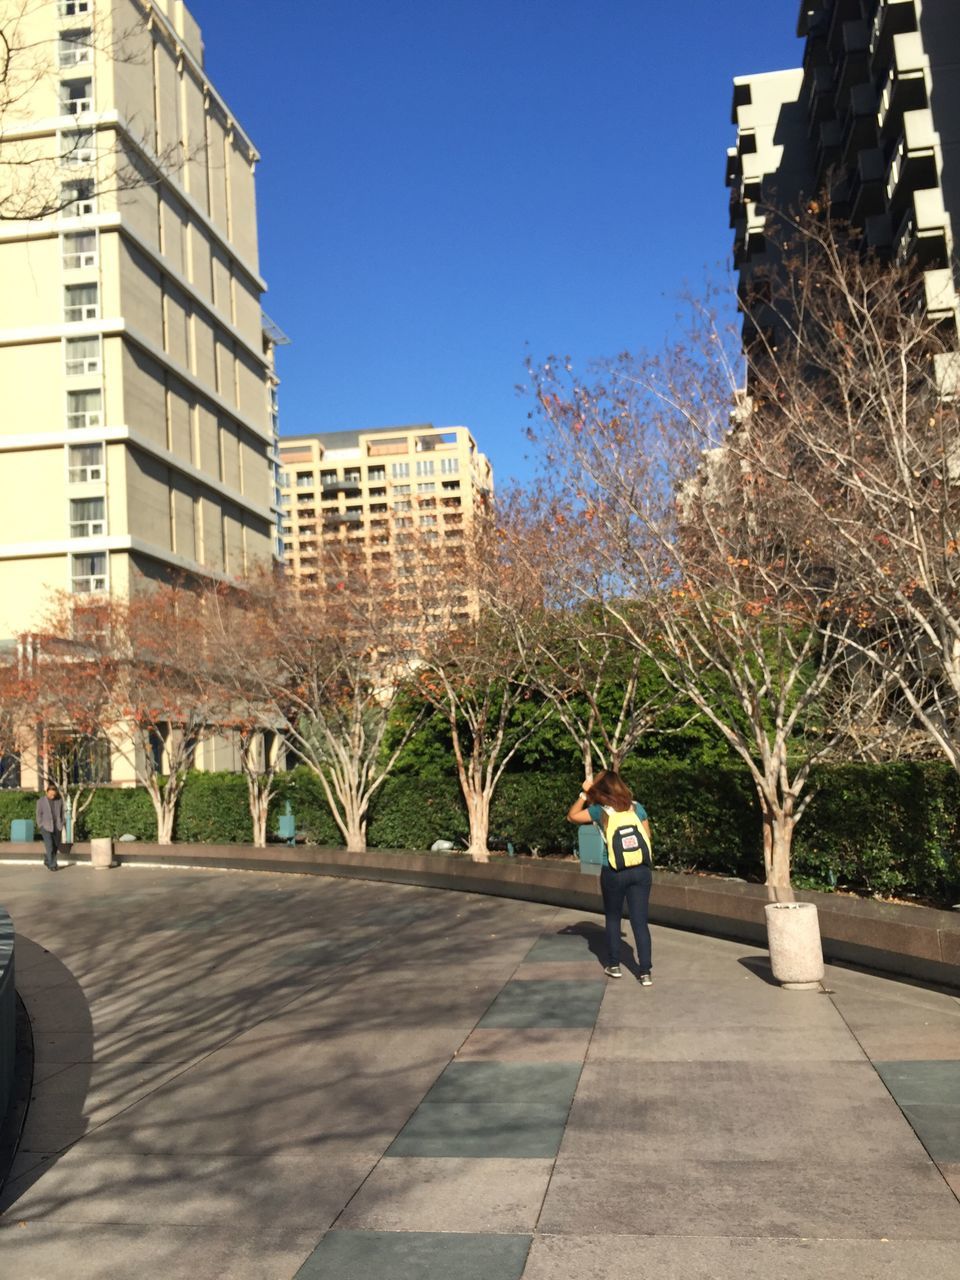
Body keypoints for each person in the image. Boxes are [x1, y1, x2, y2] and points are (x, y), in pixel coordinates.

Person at [567, 770, 653, 984]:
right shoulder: (637, 807)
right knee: (640, 922)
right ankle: (644, 972)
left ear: (602, 789)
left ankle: (614, 965)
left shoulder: (599, 811)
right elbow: (648, 836)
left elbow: (572, 816)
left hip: (613, 870)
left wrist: (585, 795)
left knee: (614, 918)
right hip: (641, 870)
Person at [36, 783, 65, 872]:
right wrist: (40, 825)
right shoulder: (40, 801)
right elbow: (38, 814)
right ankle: (53, 865)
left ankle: (47, 860)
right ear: (46, 792)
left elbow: (62, 813)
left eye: (54, 795)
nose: (52, 796)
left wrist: (62, 823)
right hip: (46, 827)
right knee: (49, 846)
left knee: (55, 845)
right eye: (51, 794)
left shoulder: (59, 800)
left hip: (57, 826)